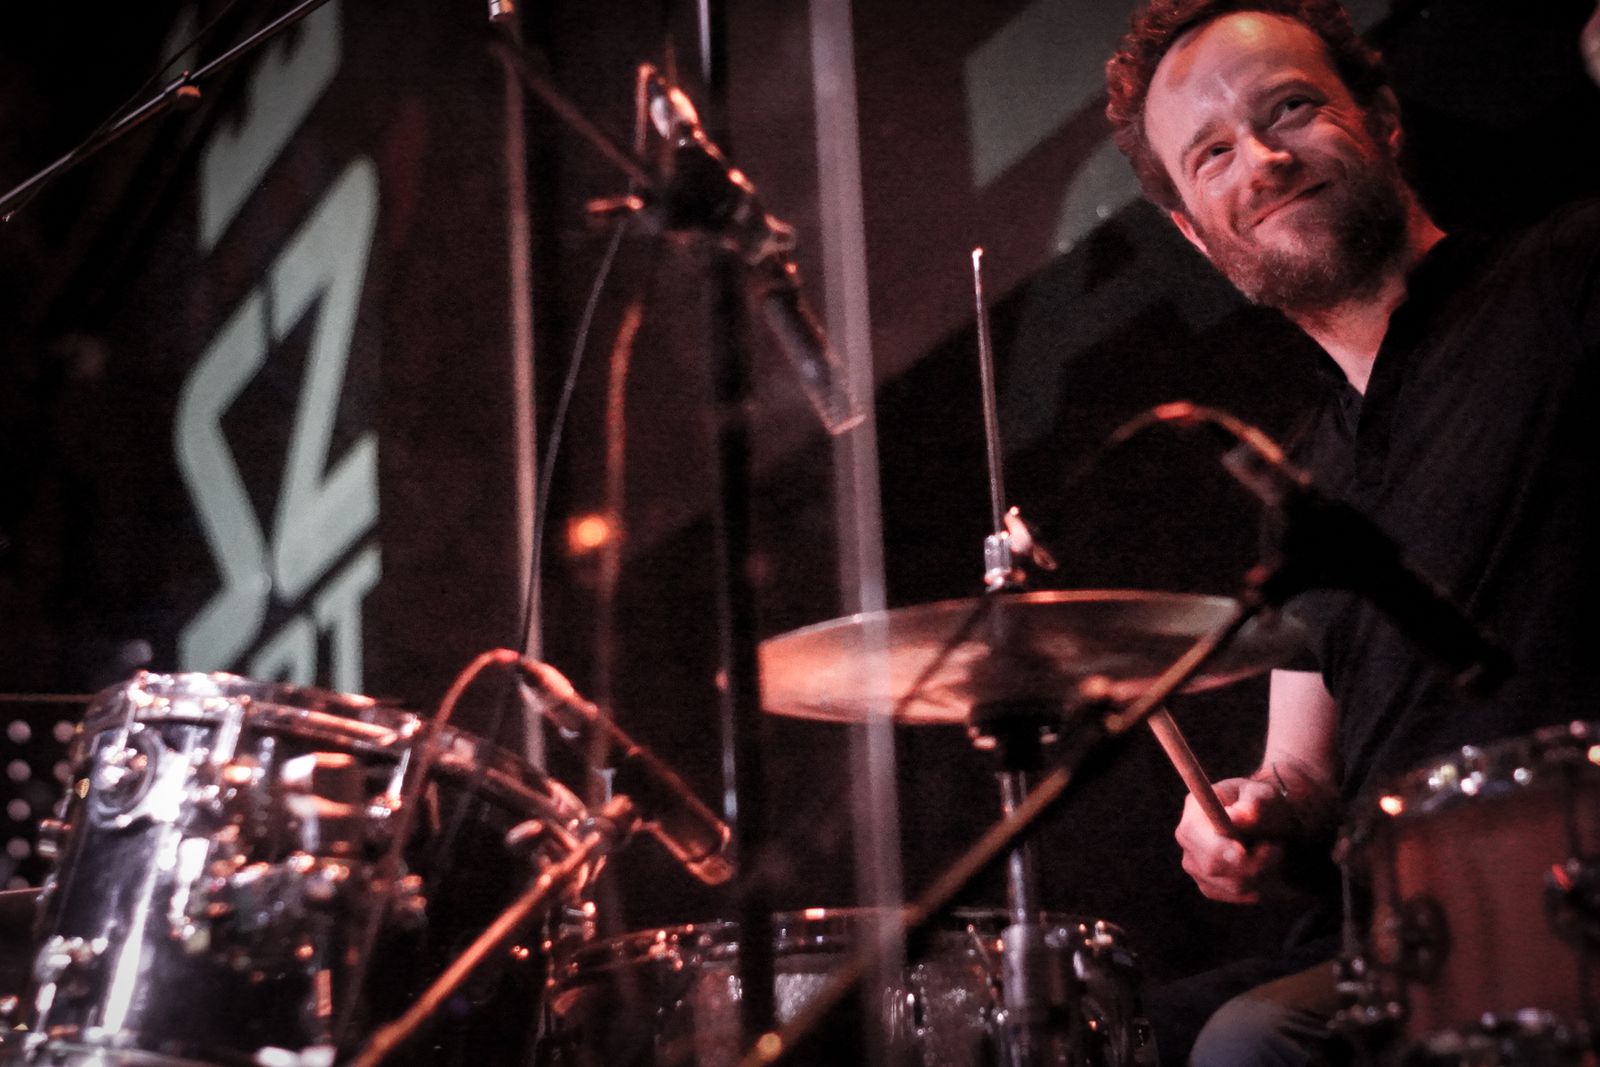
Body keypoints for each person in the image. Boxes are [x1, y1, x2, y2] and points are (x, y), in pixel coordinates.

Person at [1103, 2, 1600, 1064]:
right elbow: (1301, 774)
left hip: (1562, 885)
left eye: (1290, 108)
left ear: (1382, 116)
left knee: (1252, 1042)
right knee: (1106, 1034)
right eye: (1213, 153)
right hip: (1391, 932)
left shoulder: (1567, 277)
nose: (1263, 161)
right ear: (1192, 232)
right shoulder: (1298, 479)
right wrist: (1249, 809)